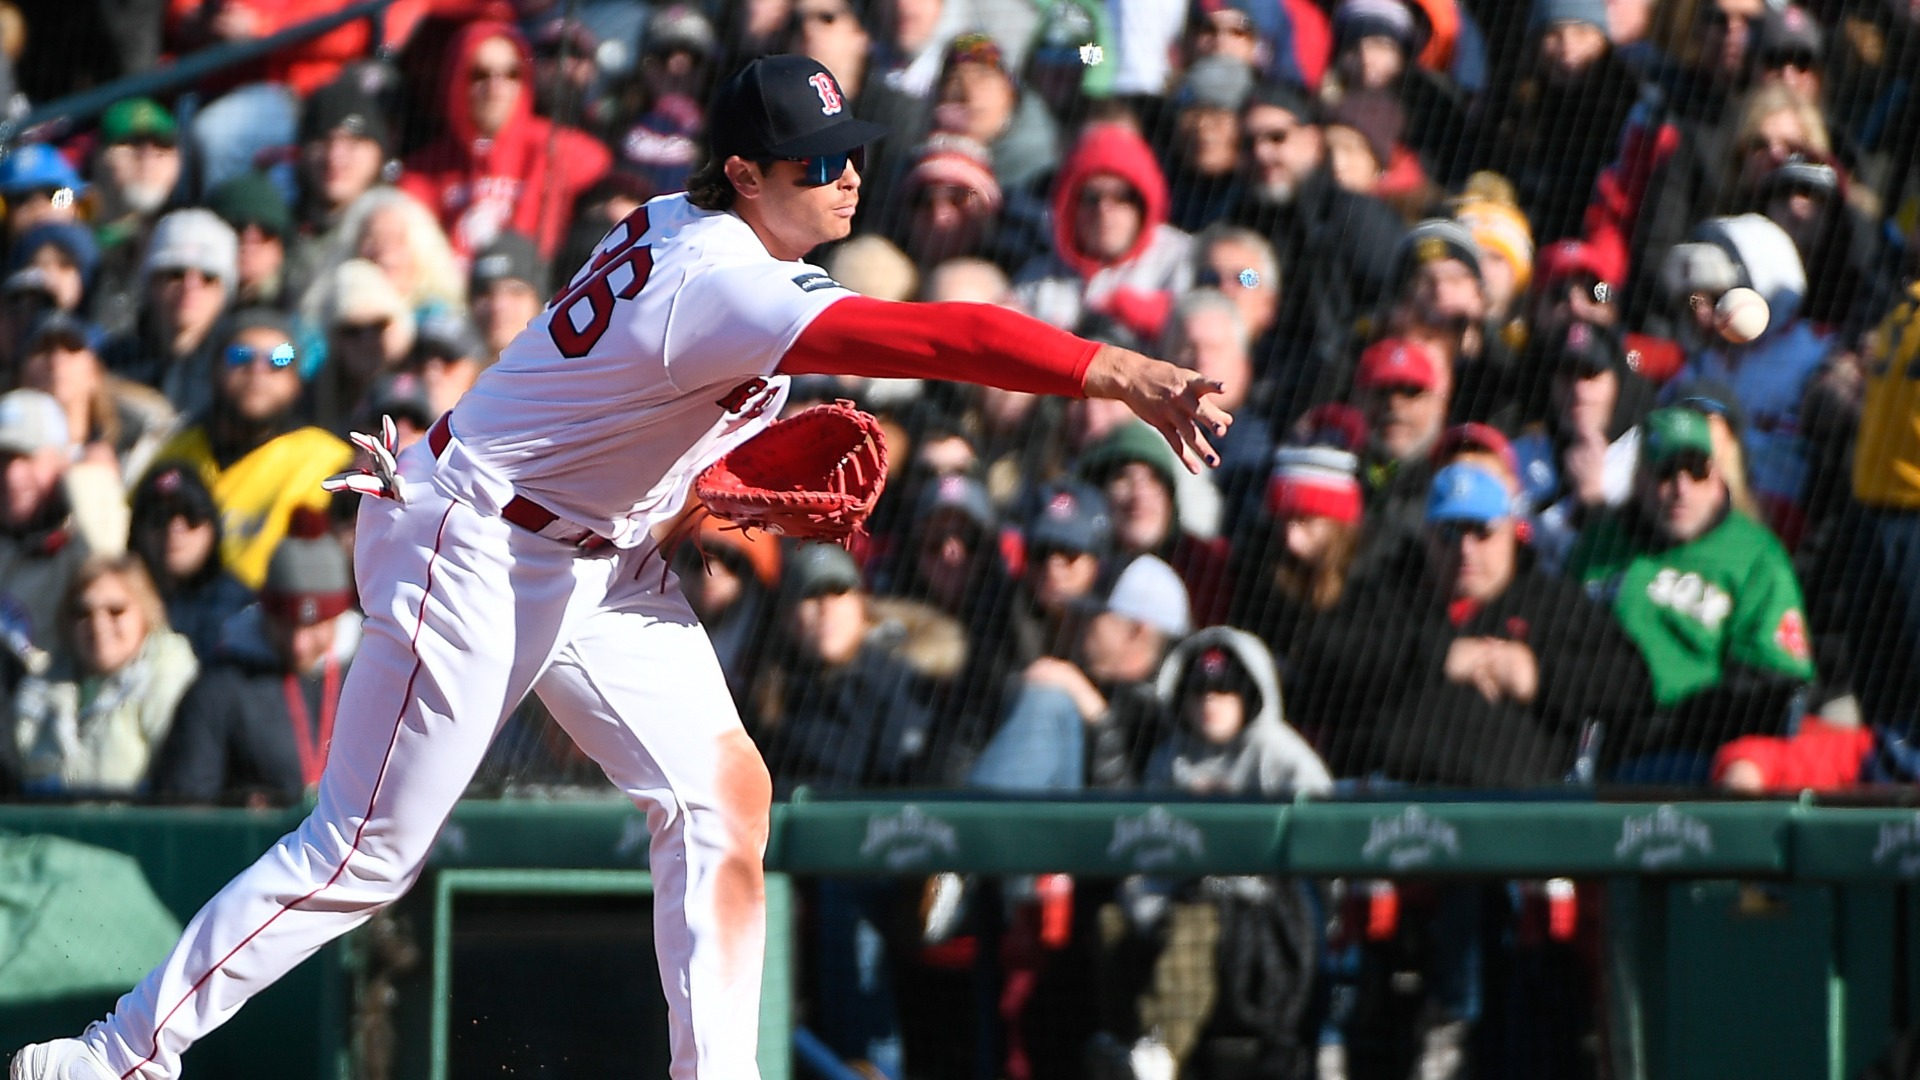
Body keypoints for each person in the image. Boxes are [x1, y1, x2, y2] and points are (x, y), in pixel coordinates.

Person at [8, 55, 1229, 1080]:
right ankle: (115, 1056)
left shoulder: (683, 227)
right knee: (364, 852)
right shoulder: (718, 279)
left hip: (593, 550)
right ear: (745, 174)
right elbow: (928, 338)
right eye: (816, 159)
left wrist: (694, 479)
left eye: (852, 147)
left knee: (721, 800)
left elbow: (621, 401)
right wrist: (1113, 371)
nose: (848, 172)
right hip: (474, 542)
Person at [1565, 407, 1816, 782]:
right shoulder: (1601, 542)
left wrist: (1673, 722)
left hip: (1689, 748)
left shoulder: (1755, 554)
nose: (1681, 489)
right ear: (1640, 479)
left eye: (1696, 471)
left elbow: (1777, 683)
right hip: (1585, 733)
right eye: (1666, 473)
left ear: (1717, 479)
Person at [150, 511, 362, 807]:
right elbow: (185, 801)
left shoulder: (373, 675)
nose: (298, 644)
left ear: (339, 619)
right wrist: (234, 811)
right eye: (285, 624)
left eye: (315, 627)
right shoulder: (220, 685)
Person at [146, 310, 353, 589]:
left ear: (297, 381)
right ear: (213, 369)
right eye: (240, 356)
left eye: (280, 359)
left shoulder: (329, 459)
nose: (258, 370)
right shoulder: (176, 452)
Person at [399, 20, 613, 260]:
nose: (495, 88)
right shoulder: (423, 170)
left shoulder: (563, 148)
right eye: (480, 75)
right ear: (455, 79)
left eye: (511, 74)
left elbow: (608, 191)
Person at [12, 554, 198, 796]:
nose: (98, 625)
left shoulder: (168, 673)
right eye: (82, 612)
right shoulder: (42, 686)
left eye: (115, 610)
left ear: (145, 611)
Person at [127, 465, 255, 664]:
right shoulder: (117, 604)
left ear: (212, 527)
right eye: (159, 517)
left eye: (191, 515)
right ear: (137, 531)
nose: (175, 528)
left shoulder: (240, 605)